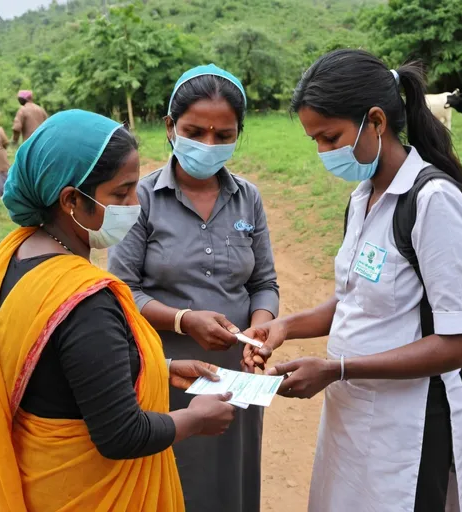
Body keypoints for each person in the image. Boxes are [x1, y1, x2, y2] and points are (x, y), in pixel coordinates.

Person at [244, 49, 462, 512]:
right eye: (313, 139)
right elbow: (354, 299)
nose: (322, 152)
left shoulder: (432, 200)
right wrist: (285, 327)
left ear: (375, 121)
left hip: (409, 428)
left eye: (330, 137)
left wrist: (337, 368)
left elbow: (461, 345)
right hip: (352, 414)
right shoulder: (362, 197)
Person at [0, 109, 237, 512]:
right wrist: (195, 419)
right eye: (120, 193)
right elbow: (122, 435)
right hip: (91, 494)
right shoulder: (84, 301)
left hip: (45, 482)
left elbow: (60, 368)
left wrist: (158, 367)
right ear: (71, 200)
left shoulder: (17, 255)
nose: (135, 204)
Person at [108, 64, 279, 512]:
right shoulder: (139, 199)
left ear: (238, 134)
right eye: (194, 131)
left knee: (233, 478)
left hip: (236, 373)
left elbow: (264, 283)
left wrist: (260, 329)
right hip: (167, 368)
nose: (209, 144)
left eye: (223, 135)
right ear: (170, 127)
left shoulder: (249, 198)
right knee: (175, 478)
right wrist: (183, 320)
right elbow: (123, 292)